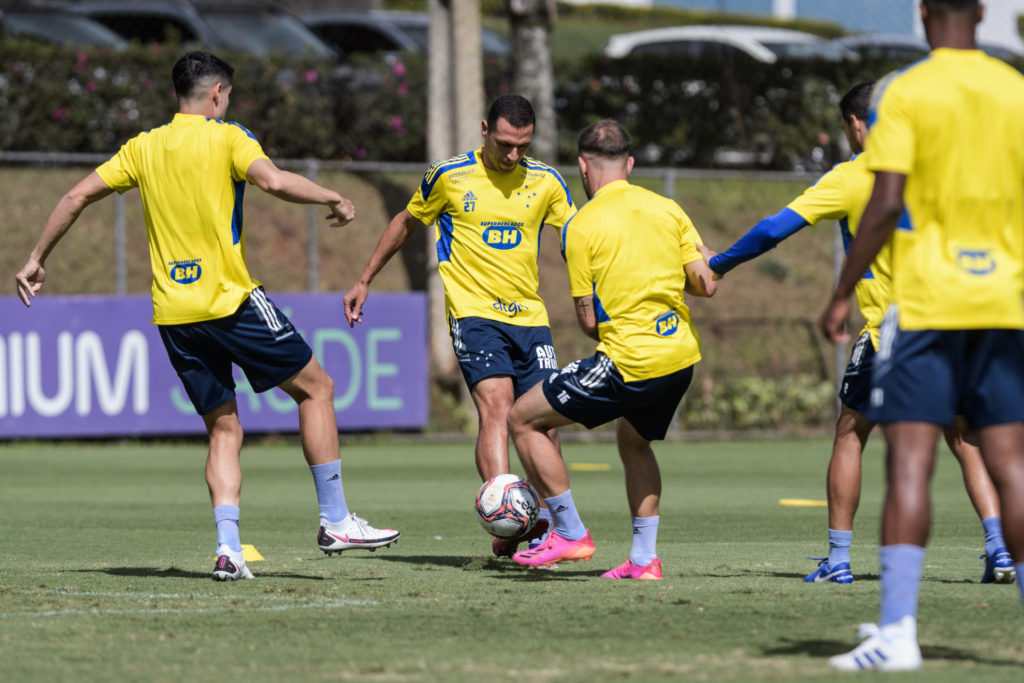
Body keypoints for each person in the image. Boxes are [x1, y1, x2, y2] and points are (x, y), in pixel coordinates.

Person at [14, 51, 399, 582]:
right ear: (217, 93)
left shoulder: (143, 147)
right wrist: (333, 196)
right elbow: (274, 181)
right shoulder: (228, 137)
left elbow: (76, 195)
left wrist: (37, 257)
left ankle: (228, 551)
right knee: (317, 389)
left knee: (223, 427)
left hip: (175, 314)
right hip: (230, 300)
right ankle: (335, 519)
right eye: (228, 95)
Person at [706, 81, 1013, 586]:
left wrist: (718, 264)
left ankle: (839, 560)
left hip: (895, 328)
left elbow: (773, 229)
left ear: (854, 123)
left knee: (852, 431)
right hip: (958, 321)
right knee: (962, 435)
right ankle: (1000, 550)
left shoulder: (852, 176)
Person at [819, 0, 1024, 671]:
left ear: (923, 11)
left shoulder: (904, 92)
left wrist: (843, 290)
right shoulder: (1014, 90)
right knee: (1010, 463)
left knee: (910, 461)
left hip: (928, 303)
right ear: (983, 11)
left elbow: (885, 201)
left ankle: (899, 633)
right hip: (1002, 302)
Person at [343, 95, 576, 557]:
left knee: (545, 422)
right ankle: (508, 523)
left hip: (531, 318)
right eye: (505, 143)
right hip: (474, 313)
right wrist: (365, 278)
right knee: (497, 408)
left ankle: (547, 526)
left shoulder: (547, 181)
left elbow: (577, 239)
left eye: (523, 146)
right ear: (486, 130)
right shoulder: (448, 176)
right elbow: (406, 222)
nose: (513, 155)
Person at [507, 120, 717, 578]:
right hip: (680, 359)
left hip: (630, 361)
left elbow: (589, 323)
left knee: (522, 418)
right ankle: (644, 560)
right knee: (633, 440)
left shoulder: (580, 226)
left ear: (582, 167)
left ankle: (569, 532)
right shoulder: (668, 208)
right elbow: (706, 284)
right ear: (631, 164)